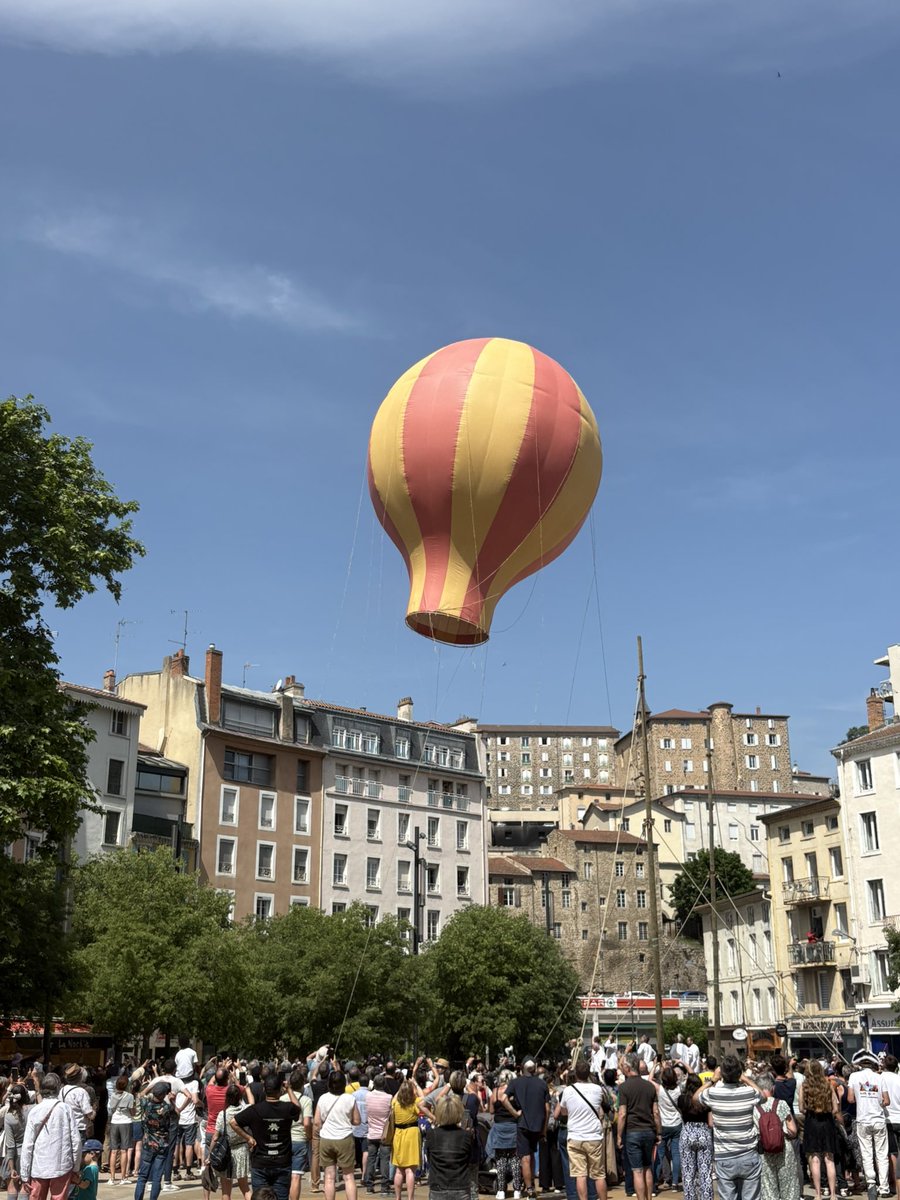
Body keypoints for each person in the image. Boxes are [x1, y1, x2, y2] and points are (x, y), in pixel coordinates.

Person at [696, 1055, 763, 1200]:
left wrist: (713, 1080)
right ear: (739, 1073)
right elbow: (762, 1096)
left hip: (725, 1155)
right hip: (748, 1153)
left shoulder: (713, 1093)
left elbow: (695, 1097)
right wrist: (745, 1079)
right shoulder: (748, 1092)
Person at [231, 1072, 299, 1200]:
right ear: (280, 1090)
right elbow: (297, 1108)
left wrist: (248, 1138)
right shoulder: (287, 1108)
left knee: (260, 1197)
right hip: (282, 1161)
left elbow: (233, 1122)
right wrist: (289, 1089)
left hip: (260, 1161)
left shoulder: (255, 1110)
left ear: (264, 1089)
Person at [19, 1073, 81, 1200]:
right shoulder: (65, 1109)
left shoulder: (35, 1111)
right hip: (61, 1165)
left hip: (39, 1166)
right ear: (58, 1088)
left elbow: (27, 1145)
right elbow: (76, 1140)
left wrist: (24, 1175)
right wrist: (75, 1167)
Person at [557, 1060, 607, 1200]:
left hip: (575, 1136)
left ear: (576, 1074)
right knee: (599, 1175)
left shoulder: (568, 1090)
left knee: (580, 1175)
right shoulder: (597, 1089)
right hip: (594, 1136)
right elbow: (601, 1107)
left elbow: (563, 1112)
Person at [502, 1060, 549, 1199]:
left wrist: (515, 1113)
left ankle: (530, 1190)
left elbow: (503, 1099)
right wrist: (544, 1129)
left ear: (523, 1068)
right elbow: (547, 1109)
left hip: (523, 1123)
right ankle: (531, 1187)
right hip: (538, 1124)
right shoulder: (542, 1083)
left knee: (525, 1159)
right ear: (534, 1069)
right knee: (532, 1156)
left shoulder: (515, 1082)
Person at [616, 1054, 659, 1200]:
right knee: (648, 1167)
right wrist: (659, 1132)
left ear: (628, 1068)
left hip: (633, 1131)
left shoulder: (624, 1087)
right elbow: (656, 1112)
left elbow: (622, 1113)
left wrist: (619, 1135)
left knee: (637, 1170)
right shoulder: (650, 1086)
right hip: (649, 1130)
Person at [847, 1050, 889, 1199]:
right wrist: (876, 1101)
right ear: (873, 1064)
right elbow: (887, 1101)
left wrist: (862, 1097)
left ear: (859, 1064)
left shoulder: (853, 1076)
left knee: (866, 1153)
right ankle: (884, 1188)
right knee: (882, 1154)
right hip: (878, 1119)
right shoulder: (879, 1077)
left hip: (863, 1119)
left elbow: (850, 1099)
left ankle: (871, 1183)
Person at [752, 1072, 799, 1200]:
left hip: (764, 1152)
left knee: (768, 1190)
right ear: (772, 1088)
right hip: (784, 1149)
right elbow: (793, 1130)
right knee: (789, 1188)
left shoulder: (754, 1108)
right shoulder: (781, 1104)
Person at [801, 1060, 840, 1200]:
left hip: (812, 1121)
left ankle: (817, 1194)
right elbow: (835, 1108)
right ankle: (833, 1194)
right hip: (827, 1122)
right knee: (829, 1159)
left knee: (815, 1159)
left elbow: (801, 1108)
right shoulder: (828, 1085)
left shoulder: (804, 1086)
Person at [424, 1096, 473, 1200]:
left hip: (438, 1187)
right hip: (461, 1187)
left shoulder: (431, 1134)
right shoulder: (466, 1136)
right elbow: (470, 1160)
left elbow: (429, 1159)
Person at [134, 1080, 176, 1200]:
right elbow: (176, 1113)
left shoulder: (146, 1104)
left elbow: (140, 1094)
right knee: (157, 1178)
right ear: (164, 1095)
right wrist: (172, 1099)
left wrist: (151, 1086)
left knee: (142, 1176)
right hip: (162, 1145)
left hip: (148, 1143)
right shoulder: (166, 1108)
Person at [211, 1082, 251, 1200]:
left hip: (226, 1153)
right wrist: (247, 1090)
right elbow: (252, 1104)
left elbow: (215, 1137)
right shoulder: (246, 1111)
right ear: (240, 1097)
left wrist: (210, 1154)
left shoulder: (223, 1114)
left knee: (226, 1191)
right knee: (245, 1188)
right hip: (242, 1150)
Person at [677, 1074, 712, 1200]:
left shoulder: (682, 1099)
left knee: (688, 1175)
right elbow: (711, 1123)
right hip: (703, 1132)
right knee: (705, 1173)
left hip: (687, 1133)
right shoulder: (704, 1099)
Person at [389, 1077, 424, 1200]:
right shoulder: (414, 1103)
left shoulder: (395, 1103)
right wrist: (415, 1084)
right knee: (410, 1170)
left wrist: (402, 1087)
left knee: (399, 1170)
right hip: (411, 1134)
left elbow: (394, 1097)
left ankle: (398, 1197)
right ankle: (410, 1198)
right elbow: (424, 1098)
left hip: (398, 1134)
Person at [488, 1071, 520, 1200]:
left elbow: (490, 1110)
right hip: (513, 1126)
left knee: (500, 1159)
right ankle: (517, 1190)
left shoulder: (495, 1092)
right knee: (515, 1159)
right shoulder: (515, 1092)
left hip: (499, 1127)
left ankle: (501, 1190)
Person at [652, 1067, 682, 1193]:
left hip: (663, 1125)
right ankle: (675, 1182)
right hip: (677, 1124)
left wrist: (655, 1066)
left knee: (660, 1154)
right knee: (676, 1154)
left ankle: (654, 1184)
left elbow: (649, 1079)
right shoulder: (679, 1089)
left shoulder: (659, 1089)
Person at [1, 1083, 32, 1199]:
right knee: (25, 1185)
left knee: (12, 1185)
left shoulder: (9, 1116)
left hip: (14, 1156)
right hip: (30, 1155)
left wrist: (12, 1167)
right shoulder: (32, 1111)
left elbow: (10, 1144)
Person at [364, 1075, 392, 1195]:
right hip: (384, 1134)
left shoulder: (368, 1096)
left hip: (371, 1133)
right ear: (384, 1084)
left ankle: (369, 1186)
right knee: (385, 1161)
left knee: (371, 1159)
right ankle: (384, 1187)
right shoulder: (389, 1097)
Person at [287, 1069, 313, 1200]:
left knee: (284, 1174)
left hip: (284, 1139)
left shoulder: (282, 1098)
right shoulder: (306, 1100)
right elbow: (307, 1123)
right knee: (296, 1176)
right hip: (300, 1140)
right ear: (303, 1084)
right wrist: (309, 1136)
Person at [108, 1076, 136, 1185]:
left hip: (115, 1122)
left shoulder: (113, 1095)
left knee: (114, 1150)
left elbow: (111, 1109)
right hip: (126, 1121)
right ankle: (123, 1177)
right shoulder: (129, 1096)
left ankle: (112, 1178)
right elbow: (132, 1111)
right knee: (124, 1150)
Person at [881, 1055, 900, 1200]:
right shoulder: (898, 1078)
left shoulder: (881, 1078)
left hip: (888, 1119)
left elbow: (883, 1099)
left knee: (892, 1153)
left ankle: (894, 1183)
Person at [60, 1066, 94, 1141]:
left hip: (65, 1127)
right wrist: (94, 1110)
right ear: (80, 1077)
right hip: (78, 1128)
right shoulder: (81, 1092)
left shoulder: (62, 1090)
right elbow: (90, 1115)